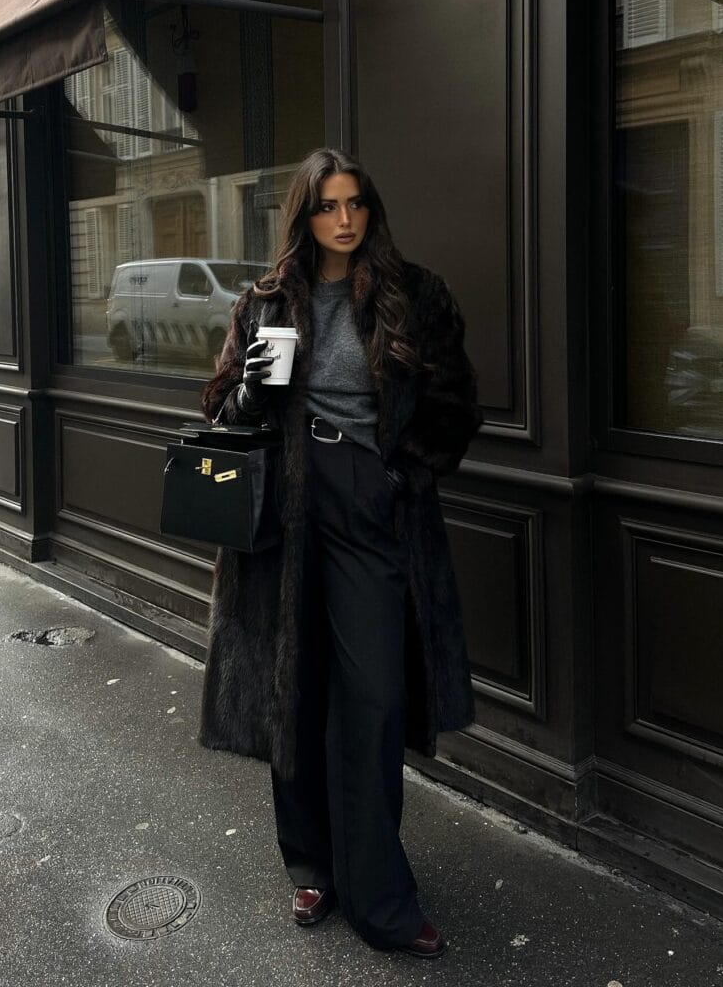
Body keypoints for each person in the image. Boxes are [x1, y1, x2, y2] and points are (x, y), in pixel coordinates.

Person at [199, 147, 482, 959]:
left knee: (375, 698)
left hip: (369, 501)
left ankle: (379, 895)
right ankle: (312, 865)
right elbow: (222, 411)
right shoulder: (267, 301)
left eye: (355, 203)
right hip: (284, 513)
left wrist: (399, 476)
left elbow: (454, 404)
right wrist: (251, 392)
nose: (345, 219)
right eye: (327, 206)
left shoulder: (412, 295)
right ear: (303, 215)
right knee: (297, 688)